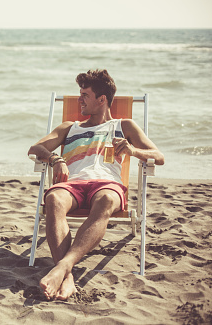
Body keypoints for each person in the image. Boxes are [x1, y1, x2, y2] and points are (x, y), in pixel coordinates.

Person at [27, 69, 164, 301]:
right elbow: (35, 148)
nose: (79, 99)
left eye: (85, 95)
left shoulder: (124, 126)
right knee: (53, 198)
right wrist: (56, 159)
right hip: (73, 185)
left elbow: (158, 156)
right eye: (79, 94)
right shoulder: (69, 128)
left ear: (102, 99)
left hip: (106, 184)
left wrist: (132, 150)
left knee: (107, 200)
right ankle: (67, 276)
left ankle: (61, 268)